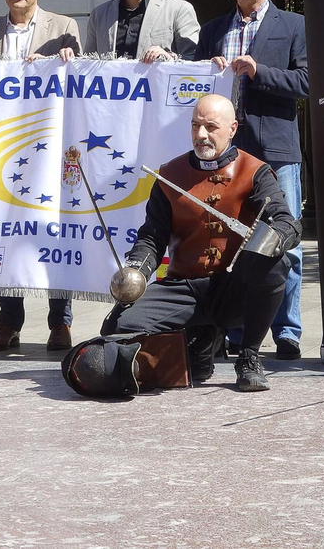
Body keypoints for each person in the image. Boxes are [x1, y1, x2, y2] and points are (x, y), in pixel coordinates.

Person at [96, 94, 299, 392]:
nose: (201, 134)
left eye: (211, 127)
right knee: (117, 327)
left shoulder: (254, 171)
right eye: (195, 126)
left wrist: (273, 239)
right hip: (184, 287)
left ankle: (249, 356)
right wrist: (136, 270)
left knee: (275, 263)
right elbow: (152, 236)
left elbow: (285, 220)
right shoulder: (169, 174)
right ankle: (199, 343)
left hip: (233, 289)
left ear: (232, 129)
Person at [196, 0, 309, 360]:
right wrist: (204, 70)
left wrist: (260, 72)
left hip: (276, 152)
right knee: (230, 240)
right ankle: (235, 328)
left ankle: (287, 331)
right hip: (227, 155)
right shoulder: (213, 29)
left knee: (285, 241)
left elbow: (308, 81)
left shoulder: (293, 24)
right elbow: (193, 88)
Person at [0, 0, 82, 352]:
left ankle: (60, 323)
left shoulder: (64, 28)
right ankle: (9, 323)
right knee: (6, 232)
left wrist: (64, 61)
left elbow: (79, 83)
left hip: (49, 145)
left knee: (55, 232)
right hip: (3, 148)